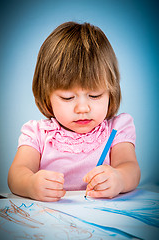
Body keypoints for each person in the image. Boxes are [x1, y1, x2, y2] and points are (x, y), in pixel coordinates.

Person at [8, 21, 141, 202]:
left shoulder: (116, 129)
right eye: (68, 98)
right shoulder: (38, 133)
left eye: (95, 95)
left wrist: (119, 179)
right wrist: (30, 184)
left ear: (111, 92)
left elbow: (130, 168)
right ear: (47, 97)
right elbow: (16, 174)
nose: (83, 109)